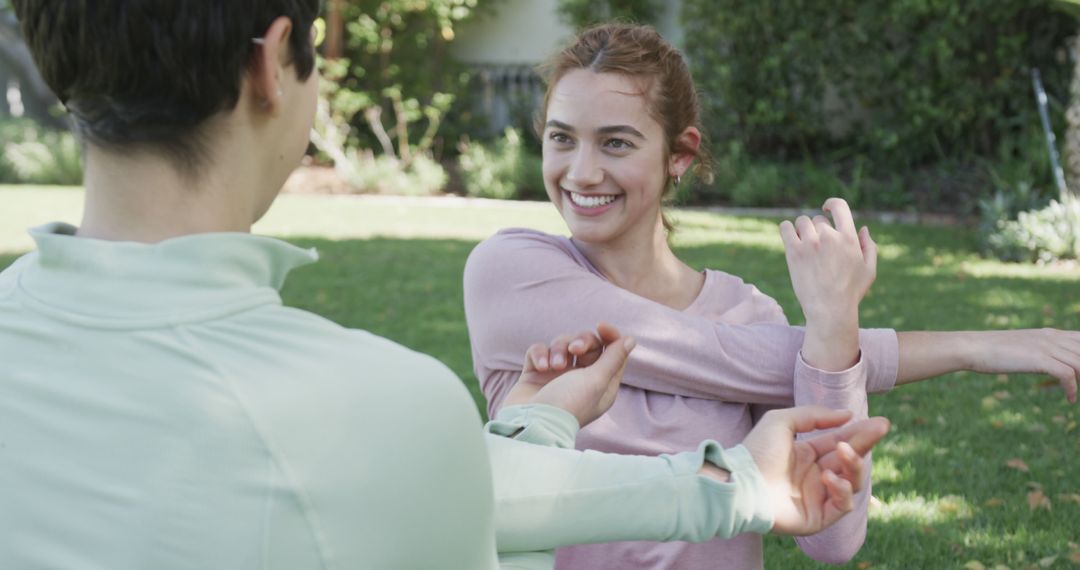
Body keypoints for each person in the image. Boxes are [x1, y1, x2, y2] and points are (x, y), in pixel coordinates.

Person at [0, 3, 891, 570]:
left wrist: (540, 422)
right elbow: (484, 504)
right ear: (275, 64)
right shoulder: (380, 405)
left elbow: (490, 484)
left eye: (615, 141)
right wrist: (738, 483)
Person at [463, 23, 1080, 570]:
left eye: (615, 143)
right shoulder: (511, 271)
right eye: (562, 138)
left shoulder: (746, 313)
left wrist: (836, 326)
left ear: (679, 154)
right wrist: (974, 347)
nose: (581, 171)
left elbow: (832, 540)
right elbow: (727, 356)